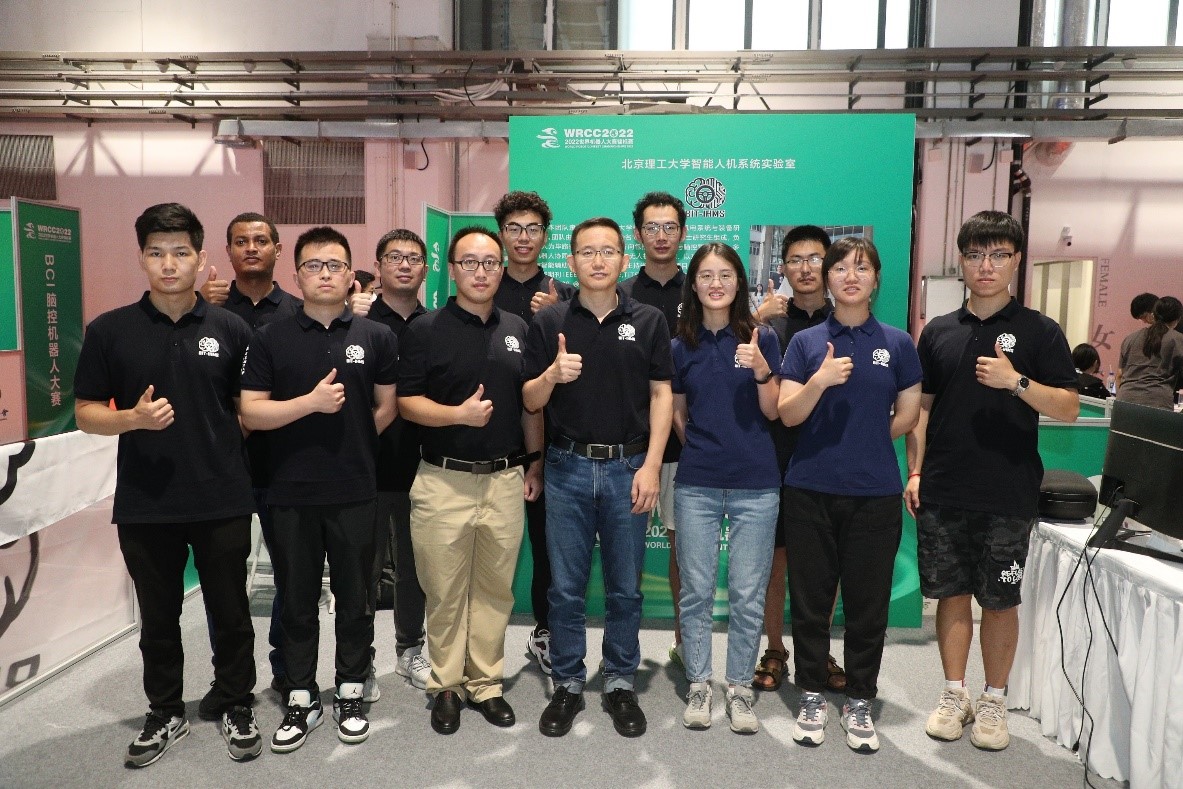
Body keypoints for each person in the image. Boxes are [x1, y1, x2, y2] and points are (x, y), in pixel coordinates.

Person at [74, 203, 260, 766]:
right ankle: (166, 711)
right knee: (158, 618)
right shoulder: (110, 330)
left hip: (222, 495)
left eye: (181, 252)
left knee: (231, 611)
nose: (169, 264)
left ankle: (236, 701)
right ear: (142, 259)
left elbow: (247, 409)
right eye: (156, 253)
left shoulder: (231, 329)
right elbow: (85, 412)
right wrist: (131, 418)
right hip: (146, 500)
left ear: (201, 259)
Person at [905, 210, 1079, 753]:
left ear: (1016, 261)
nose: (986, 265)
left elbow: (1069, 407)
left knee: (1001, 599)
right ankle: (954, 693)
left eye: (999, 254)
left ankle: (994, 699)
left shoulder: (1040, 331)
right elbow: (922, 409)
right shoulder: (938, 331)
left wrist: (1016, 381)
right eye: (976, 254)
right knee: (951, 594)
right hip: (943, 486)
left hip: (1008, 490)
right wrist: (916, 470)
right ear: (961, 260)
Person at [239, 226, 398, 752]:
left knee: (355, 598)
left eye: (334, 265)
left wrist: (353, 439)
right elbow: (252, 413)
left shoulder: (376, 336)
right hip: (289, 492)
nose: (324, 274)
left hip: (355, 489)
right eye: (313, 265)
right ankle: (301, 695)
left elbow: (387, 406)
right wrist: (309, 405)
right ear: (297, 275)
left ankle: (350, 688)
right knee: (297, 601)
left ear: (351, 275)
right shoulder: (270, 338)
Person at [524, 216, 673, 739]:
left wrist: (652, 465)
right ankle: (567, 682)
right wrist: (551, 375)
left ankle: (619, 682)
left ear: (623, 260)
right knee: (565, 589)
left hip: (628, 467)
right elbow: (529, 400)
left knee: (625, 588)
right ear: (571, 262)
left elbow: (661, 395)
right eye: (587, 252)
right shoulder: (550, 322)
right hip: (566, 468)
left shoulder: (649, 320)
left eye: (608, 251)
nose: (598, 260)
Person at [779, 236, 922, 754]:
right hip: (809, 490)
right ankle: (811, 693)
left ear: (876, 279)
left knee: (867, 604)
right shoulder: (806, 342)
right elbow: (788, 413)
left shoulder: (898, 343)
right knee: (811, 603)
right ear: (827, 278)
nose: (850, 276)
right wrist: (819, 381)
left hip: (874, 493)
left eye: (862, 268)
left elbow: (909, 414)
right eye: (840, 268)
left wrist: (865, 438)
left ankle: (860, 698)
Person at [398, 227, 544, 735]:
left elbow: (528, 403)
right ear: (452, 269)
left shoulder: (518, 328)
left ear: (501, 269)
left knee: (494, 590)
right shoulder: (425, 329)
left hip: (504, 479)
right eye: (469, 263)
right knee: (443, 591)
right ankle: (446, 685)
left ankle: (485, 683)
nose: (480, 272)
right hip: (444, 480)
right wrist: (457, 415)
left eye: (489, 263)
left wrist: (535, 462)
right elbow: (406, 402)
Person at [671, 242, 781, 734]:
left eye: (725, 275)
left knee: (747, 593)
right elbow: (677, 413)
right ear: (693, 285)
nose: (716, 283)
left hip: (756, 483)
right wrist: (703, 447)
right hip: (697, 482)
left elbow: (773, 410)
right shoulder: (680, 345)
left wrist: (761, 370)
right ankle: (699, 682)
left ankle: (739, 687)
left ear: (739, 282)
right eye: (706, 275)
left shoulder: (763, 338)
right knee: (695, 590)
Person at [197, 212, 301, 709]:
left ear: (278, 249)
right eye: (241, 241)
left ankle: (286, 668)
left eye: (261, 240)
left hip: (286, 465)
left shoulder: (298, 312)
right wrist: (200, 303)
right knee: (224, 583)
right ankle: (231, 678)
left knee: (292, 577)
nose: (252, 248)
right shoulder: (208, 313)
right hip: (224, 468)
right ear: (228, 252)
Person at [754, 225, 846, 695]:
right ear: (783, 267)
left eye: (815, 259)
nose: (806, 268)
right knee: (776, 563)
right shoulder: (769, 325)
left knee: (824, 568)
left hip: (830, 460)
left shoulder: (846, 321)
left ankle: (819, 649)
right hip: (774, 458)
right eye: (796, 260)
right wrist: (755, 318)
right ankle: (774, 648)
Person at [492, 190, 575, 675]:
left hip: (548, 440)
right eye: (514, 228)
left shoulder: (566, 293)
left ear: (546, 236)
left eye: (533, 229)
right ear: (502, 234)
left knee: (547, 547)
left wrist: (557, 313)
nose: (523, 237)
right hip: (492, 437)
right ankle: (480, 642)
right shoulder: (483, 286)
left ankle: (544, 630)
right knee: (490, 549)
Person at [620, 191, 687, 667]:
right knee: (627, 555)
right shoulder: (621, 293)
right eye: (651, 227)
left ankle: (686, 645)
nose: (660, 235)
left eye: (669, 227)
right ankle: (623, 653)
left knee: (686, 552)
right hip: (631, 445)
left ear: (682, 233)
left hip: (687, 443)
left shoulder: (701, 290)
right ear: (638, 234)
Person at [364, 229, 432, 692]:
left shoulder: (438, 325)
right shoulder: (358, 324)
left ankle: (410, 649)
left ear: (426, 269)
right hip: (367, 467)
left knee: (415, 568)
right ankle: (360, 659)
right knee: (362, 570)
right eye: (394, 257)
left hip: (423, 468)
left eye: (413, 258)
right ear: (379, 266)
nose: (404, 265)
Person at [1115, 296, 1183, 409]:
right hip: (1157, 402)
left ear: (1153, 315)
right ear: (1178, 318)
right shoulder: (1178, 340)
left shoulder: (1130, 339)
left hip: (1124, 401)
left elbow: (1120, 375)